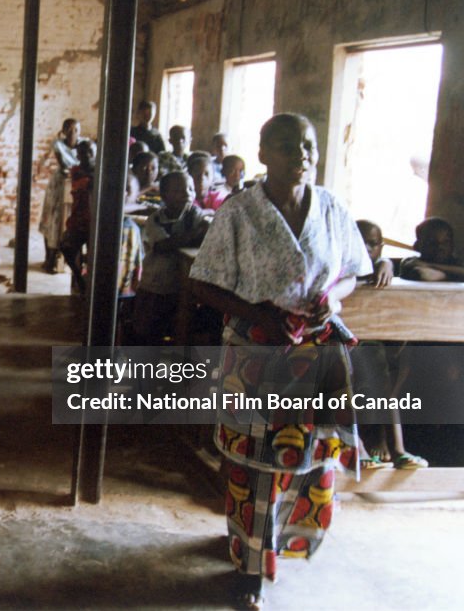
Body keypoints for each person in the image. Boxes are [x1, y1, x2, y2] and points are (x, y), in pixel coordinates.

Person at [189, 113, 371, 609]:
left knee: (307, 455)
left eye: (309, 146)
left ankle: (280, 543)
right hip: (257, 349)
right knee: (254, 460)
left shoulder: (331, 207)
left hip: (315, 351)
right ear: (265, 153)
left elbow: (354, 271)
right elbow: (201, 281)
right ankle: (249, 566)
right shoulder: (240, 211)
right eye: (289, 147)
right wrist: (258, 315)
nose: (302, 156)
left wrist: (332, 299)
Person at [353, 219, 427, 470]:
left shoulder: (380, 267)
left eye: (374, 244)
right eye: (361, 241)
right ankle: (361, 446)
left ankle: (398, 450)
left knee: (384, 384)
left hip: (369, 343)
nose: (367, 247)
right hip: (336, 342)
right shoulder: (342, 266)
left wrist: (385, 264)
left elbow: (387, 265)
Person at [134, 172, 211, 343]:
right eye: (178, 190)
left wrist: (204, 229)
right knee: (148, 333)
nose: (187, 194)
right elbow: (164, 245)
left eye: (190, 189)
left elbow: (206, 233)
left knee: (179, 330)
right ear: (164, 196)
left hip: (181, 287)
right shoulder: (155, 219)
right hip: (154, 286)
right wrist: (197, 232)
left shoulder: (194, 214)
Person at [39, 118, 84, 274]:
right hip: (60, 184)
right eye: (69, 130)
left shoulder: (84, 144)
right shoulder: (58, 144)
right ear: (64, 131)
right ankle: (49, 258)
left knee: (68, 221)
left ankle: (63, 258)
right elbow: (66, 164)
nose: (73, 134)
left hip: (77, 184)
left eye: (76, 130)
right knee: (53, 220)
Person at [59, 140, 96, 295]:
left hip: (95, 220)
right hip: (79, 218)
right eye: (82, 152)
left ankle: (90, 281)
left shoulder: (100, 170)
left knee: (96, 254)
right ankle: (78, 276)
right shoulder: (76, 171)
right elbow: (81, 184)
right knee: (66, 245)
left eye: (89, 152)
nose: (86, 155)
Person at [400, 217, 464, 281]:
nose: (440, 247)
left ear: (452, 244)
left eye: (446, 242)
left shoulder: (456, 263)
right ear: (417, 245)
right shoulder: (411, 262)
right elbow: (423, 275)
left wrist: (428, 265)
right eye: (432, 242)